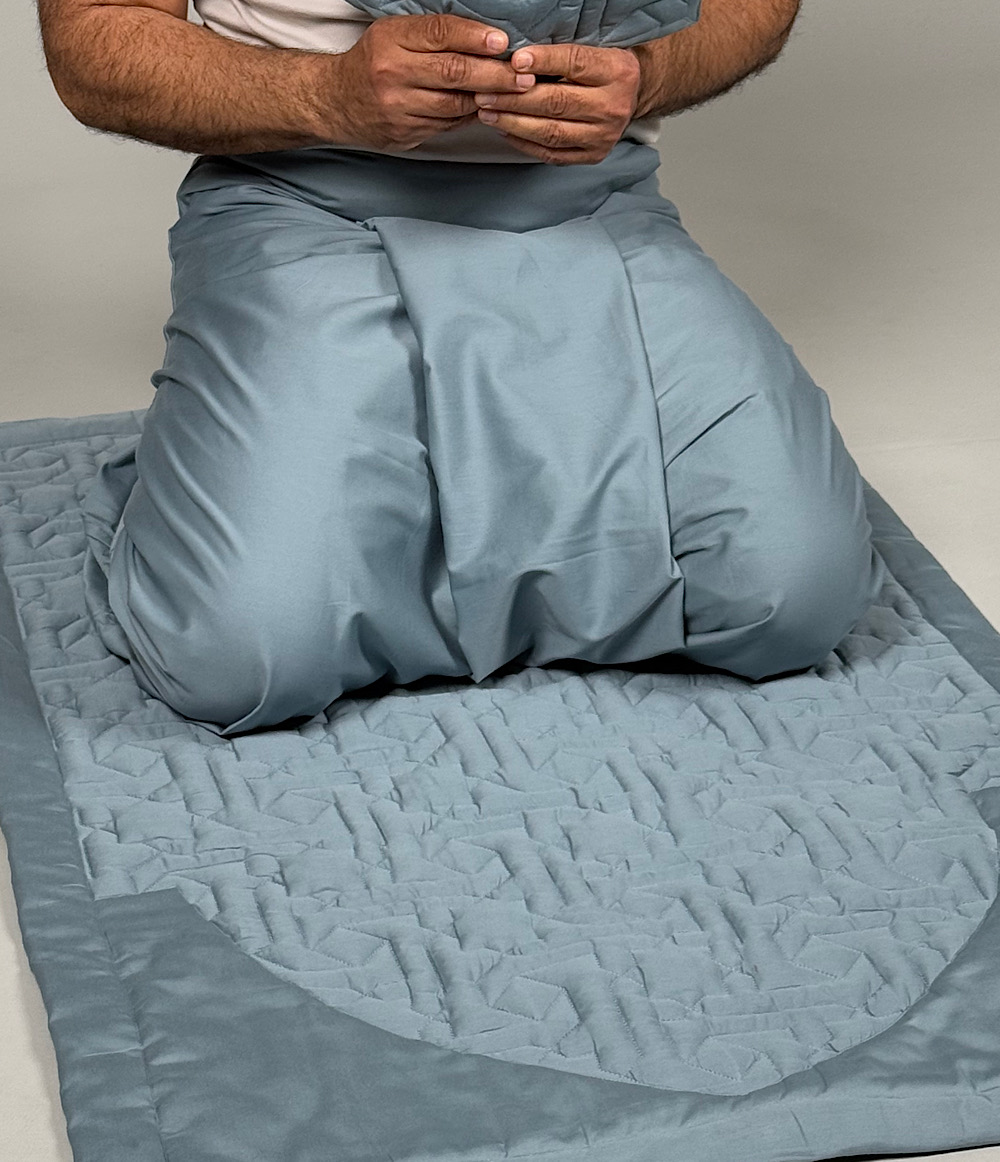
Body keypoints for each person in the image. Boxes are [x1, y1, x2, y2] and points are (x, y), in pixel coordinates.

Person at [37, 0, 888, 736]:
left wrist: (648, 75)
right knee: (242, 655)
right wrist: (322, 94)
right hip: (300, 194)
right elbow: (95, 38)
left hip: (593, 199)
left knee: (796, 598)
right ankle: (206, 468)